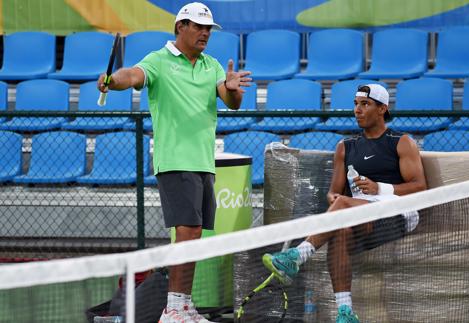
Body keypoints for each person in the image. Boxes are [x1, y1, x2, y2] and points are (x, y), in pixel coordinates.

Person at [97, 3, 251, 323]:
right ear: (180, 27)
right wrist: (112, 81)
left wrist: (234, 90)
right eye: (198, 26)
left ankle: (181, 305)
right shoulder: (159, 60)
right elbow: (133, 75)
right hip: (175, 160)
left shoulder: (212, 66)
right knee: (189, 231)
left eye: (208, 28)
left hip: (204, 162)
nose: (205, 33)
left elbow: (231, 101)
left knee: (193, 237)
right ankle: (174, 310)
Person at [263, 84, 427, 322]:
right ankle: (345, 312)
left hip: (398, 212)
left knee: (343, 210)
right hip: (360, 212)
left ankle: (297, 255)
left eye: (365, 104)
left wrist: (379, 188)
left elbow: (420, 186)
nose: (357, 110)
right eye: (355, 104)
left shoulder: (401, 142)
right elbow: (333, 193)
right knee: (341, 231)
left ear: (382, 109)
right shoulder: (345, 147)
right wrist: (336, 199)